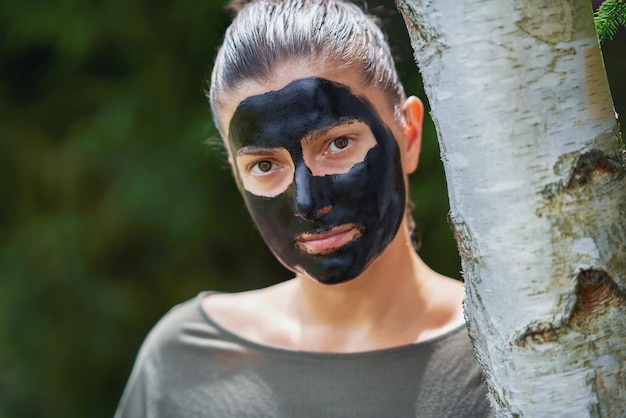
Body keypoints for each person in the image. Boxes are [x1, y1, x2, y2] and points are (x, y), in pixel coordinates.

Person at [115, 0, 493, 416]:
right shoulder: (184, 363)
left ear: (410, 134)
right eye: (264, 165)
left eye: (337, 144)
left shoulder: (511, 355)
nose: (309, 202)